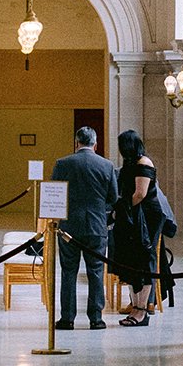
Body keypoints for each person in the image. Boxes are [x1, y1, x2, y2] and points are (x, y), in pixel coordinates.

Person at [50, 126, 119, 331]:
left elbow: (55, 193)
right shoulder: (107, 165)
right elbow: (113, 197)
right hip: (96, 225)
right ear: (95, 145)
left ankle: (67, 318)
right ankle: (96, 318)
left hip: (69, 225)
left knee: (68, 271)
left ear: (76, 143)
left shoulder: (63, 163)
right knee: (96, 271)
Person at [108, 129, 162, 325]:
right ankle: (135, 306)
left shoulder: (144, 163)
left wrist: (119, 211)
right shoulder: (131, 163)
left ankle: (142, 310)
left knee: (143, 258)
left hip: (146, 216)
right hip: (132, 214)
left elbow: (140, 194)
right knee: (130, 260)